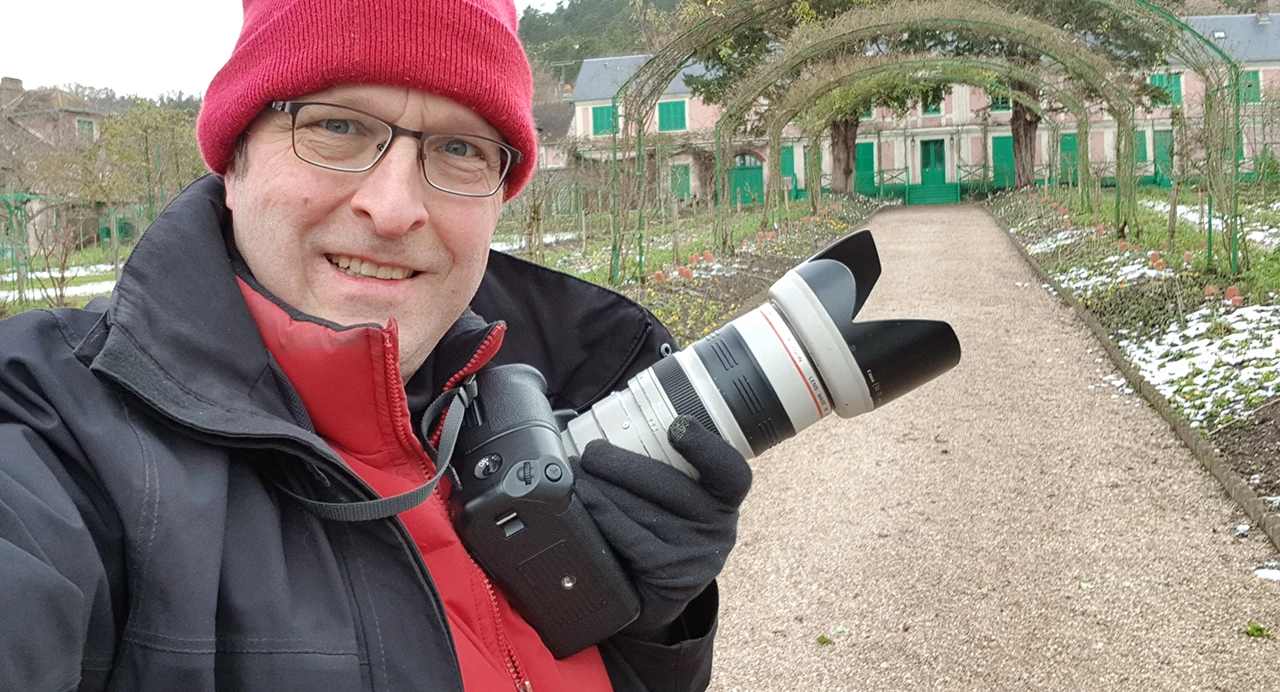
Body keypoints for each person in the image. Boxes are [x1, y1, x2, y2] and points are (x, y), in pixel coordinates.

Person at [0, 1, 753, 690]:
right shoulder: (51, 434)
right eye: (336, 126)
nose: (393, 209)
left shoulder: (534, 406)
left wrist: (641, 629)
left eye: (461, 148)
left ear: (500, 195)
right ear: (234, 158)